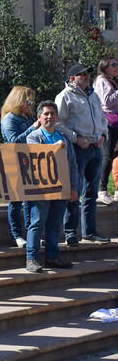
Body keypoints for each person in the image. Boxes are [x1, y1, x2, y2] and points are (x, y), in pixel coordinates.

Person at [55, 63, 110, 246]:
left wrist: (103, 135)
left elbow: (102, 119)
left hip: (96, 148)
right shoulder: (64, 97)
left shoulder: (93, 95)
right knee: (74, 192)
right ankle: (70, 232)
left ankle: (90, 231)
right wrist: (76, 138)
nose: (87, 77)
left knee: (92, 192)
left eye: (88, 74)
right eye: (82, 75)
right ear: (72, 79)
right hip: (78, 149)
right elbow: (57, 124)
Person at [25, 101, 78, 273]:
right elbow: (35, 154)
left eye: (52, 114)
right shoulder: (33, 136)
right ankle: (32, 259)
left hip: (61, 189)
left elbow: (73, 165)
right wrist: (53, 148)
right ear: (39, 118)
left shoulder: (64, 138)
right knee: (37, 223)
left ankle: (52, 256)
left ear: (57, 117)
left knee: (55, 224)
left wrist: (74, 187)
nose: (49, 117)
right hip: (41, 189)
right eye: (46, 114)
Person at [0, 85, 40, 248]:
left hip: (30, 163)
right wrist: (33, 128)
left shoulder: (27, 117)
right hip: (15, 164)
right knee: (16, 201)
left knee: (31, 200)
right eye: (27, 100)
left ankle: (31, 233)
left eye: (32, 101)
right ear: (18, 100)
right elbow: (14, 142)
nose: (30, 104)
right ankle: (17, 235)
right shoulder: (10, 118)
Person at [93, 56, 118, 205]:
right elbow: (106, 102)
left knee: (115, 156)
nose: (116, 67)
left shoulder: (111, 82)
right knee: (108, 156)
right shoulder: (102, 81)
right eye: (113, 64)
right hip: (107, 124)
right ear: (104, 67)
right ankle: (101, 190)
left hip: (114, 123)